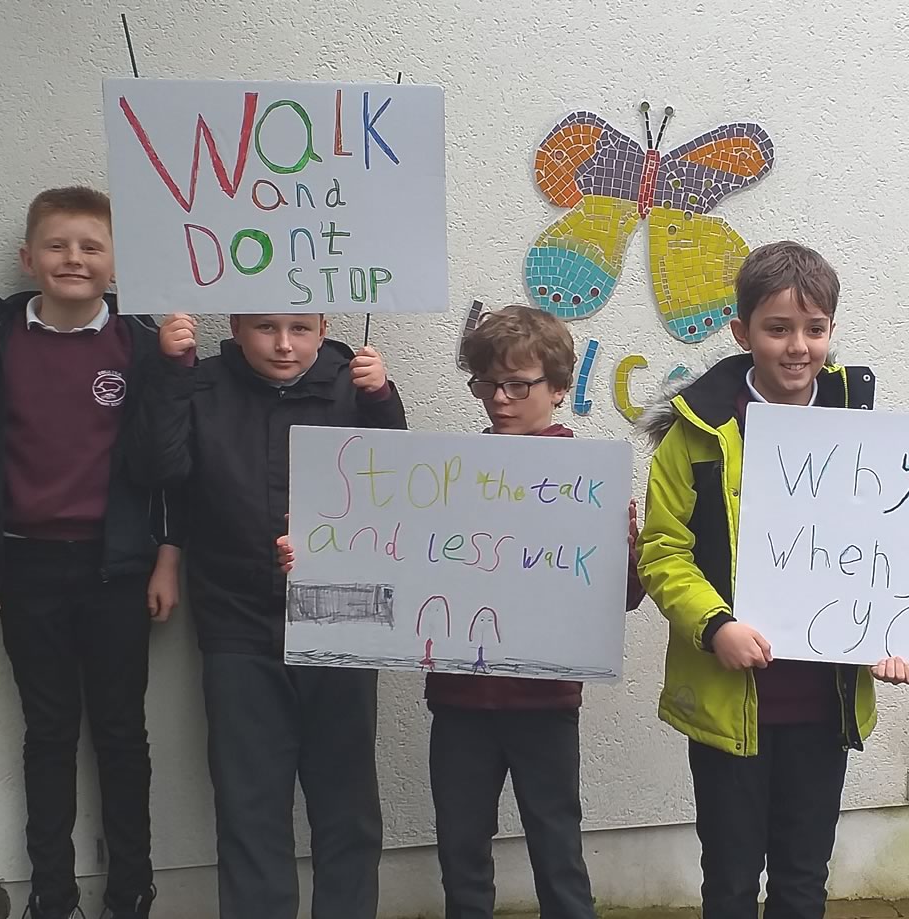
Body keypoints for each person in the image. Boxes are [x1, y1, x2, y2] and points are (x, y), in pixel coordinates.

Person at [272, 306, 641, 919]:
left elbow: (623, 598)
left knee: (558, 853)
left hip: (545, 705)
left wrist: (626, 549)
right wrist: (314, 563)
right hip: (458, 702)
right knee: (461, 856)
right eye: (486, 384)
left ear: (558, 387)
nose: (500, 398)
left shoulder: (590, 480)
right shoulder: (449, 479)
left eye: (518, 385)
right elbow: (392, 558)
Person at [637, 241, 909, 919]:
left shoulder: (863, 429)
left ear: (830, 331)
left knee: (803, 880)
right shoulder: (696, 433)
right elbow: (662, 550)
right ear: (742, 333)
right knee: (731, 882)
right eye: (777, 328)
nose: (798, 346)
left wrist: (894, 633)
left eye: (815, 328)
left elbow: (896, 546)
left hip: (824, 707)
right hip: (729, 704)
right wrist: (716, 625)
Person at [0, 186, 182, 919]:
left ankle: (131, 888)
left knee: (120, 730)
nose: (74, 258)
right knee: (47, 730)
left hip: (119, 569)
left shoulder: (139, 344)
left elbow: (166, 459)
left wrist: (167, 555)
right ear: (28, 258)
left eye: (91, 246)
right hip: (23, 568)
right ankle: (52, 890)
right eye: (58, 245)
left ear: (115, 262)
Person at [125, 310, 405, 919]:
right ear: (235, 325)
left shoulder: (355, 380)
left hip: (345, 615)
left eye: (301, 329)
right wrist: (170, 374)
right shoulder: (201, 380)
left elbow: (400, 489)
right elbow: (159, 470)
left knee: (347, 803)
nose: (283, 345)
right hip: (237, 618)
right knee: (249, 804)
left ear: (325, 325)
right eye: (264, 328)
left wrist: (383, 398)